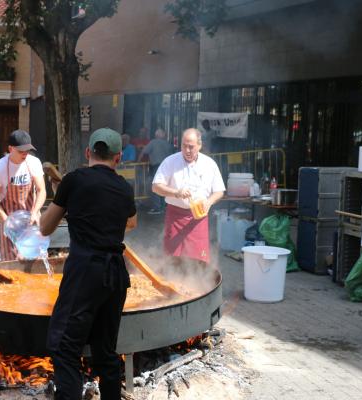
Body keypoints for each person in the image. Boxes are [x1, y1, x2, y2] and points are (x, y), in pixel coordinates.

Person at [40, 128, 137, 400]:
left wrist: (65, 199)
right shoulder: (124, 188)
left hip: (85, 271)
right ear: (118, 157)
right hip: (116, 274)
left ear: (88, 153)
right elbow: (132, 222)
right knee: (106, 353)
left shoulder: (74, 180)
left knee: (64, 348)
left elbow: (45, 227)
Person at [152, 128, 225, 269]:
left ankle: (198, 286)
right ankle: (171, 284)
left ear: (199, 145)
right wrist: (176, 193)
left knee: (198, 261)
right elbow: (156, 186)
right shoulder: (170, 161)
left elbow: (219, 191)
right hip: (175, 217)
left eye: (191, 147)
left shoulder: (209, 164)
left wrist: (209, 202)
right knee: (172, 259)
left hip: (198, 218)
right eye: (184, 145)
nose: (187, 150)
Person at [0, 130, 47, 261]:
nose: (25, 154)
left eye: (27, 150)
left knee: (37, 261)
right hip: (10, 220)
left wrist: (35, 212)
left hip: (31, 219)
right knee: (12, 265)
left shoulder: (34, 162)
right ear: (10, 149)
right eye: (21, 151)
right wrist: (8, 222)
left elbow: (41, 190)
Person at [138, 128, 174, 214]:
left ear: (156, 135)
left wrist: (138, 161)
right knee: (164, 186)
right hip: (167, 167)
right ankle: (163, 206)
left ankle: (157, 208)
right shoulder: (168, 144)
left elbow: (144, 151)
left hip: (156, 167)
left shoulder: (153, 142)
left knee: (155, 187)